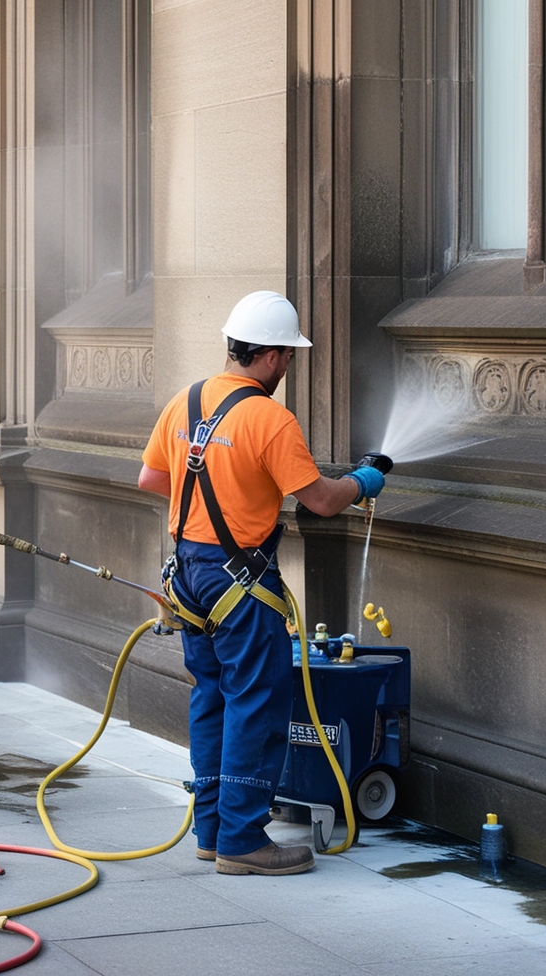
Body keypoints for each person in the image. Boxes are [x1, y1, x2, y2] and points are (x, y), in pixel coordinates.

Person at [138, 291, 386, 876]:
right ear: (273, 356)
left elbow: (151, 477)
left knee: (212, 696)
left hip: (191, 574)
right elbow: (322, 501)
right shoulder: (269, 418)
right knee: (256, 700)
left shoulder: (186, 400)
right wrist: (364, 480)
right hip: (241, 581)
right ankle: (244, 841)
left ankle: (212, 830)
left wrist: (214, 488)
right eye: (289, 358)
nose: (288, 369)